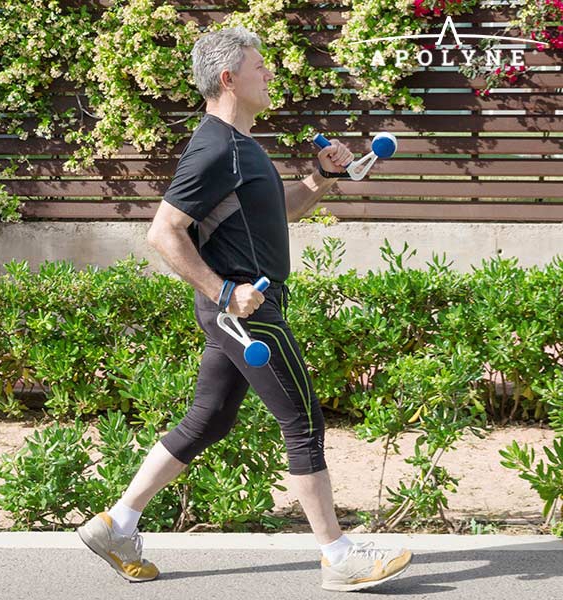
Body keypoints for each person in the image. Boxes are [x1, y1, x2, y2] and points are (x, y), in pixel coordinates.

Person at [77, 26, 412, 592]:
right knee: (302, 421)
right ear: (229, 78)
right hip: (244, 310)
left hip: (237, 307)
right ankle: (338, 555)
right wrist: (223, 291)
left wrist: (323, 178)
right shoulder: (214, 148)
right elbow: (163, 233)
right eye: (260, 67)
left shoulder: (241, 146)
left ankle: (118, 523)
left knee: (209, 420)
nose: (271, 74)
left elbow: (284, 211)